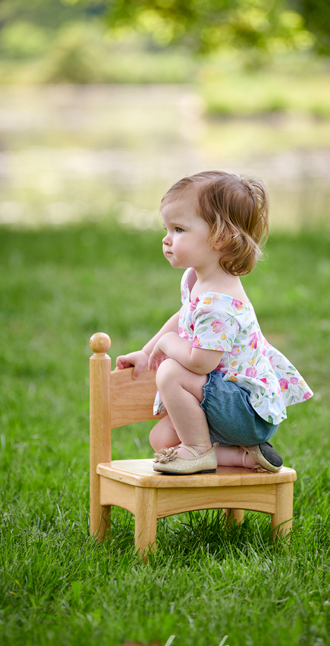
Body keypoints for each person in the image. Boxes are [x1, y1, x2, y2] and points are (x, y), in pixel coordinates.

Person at [116, 171, 313, 475]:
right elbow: (182, 318)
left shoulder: (219, 303)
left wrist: (168, 346)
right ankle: (241, 457)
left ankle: (198, 451)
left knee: (170, 372)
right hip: (225, 398)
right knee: (162, 440)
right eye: (167, 228)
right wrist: (147, 351)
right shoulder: (197, 278)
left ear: (220, 238)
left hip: (248, 411)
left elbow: (201, 363)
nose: (167, 239)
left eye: (179, 229)